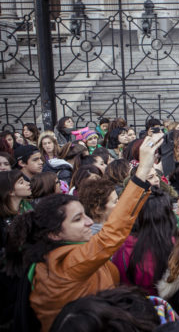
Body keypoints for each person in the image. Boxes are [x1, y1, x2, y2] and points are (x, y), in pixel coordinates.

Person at [3, 133, 163, 332]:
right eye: (78, 219)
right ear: (54, 234)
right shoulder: (63, 264)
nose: (88, 222)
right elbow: (111, 234)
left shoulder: (67, 251)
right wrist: (142, 172)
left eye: (84, 215)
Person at [112, 189, 176, 295]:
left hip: (133, 305)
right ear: (169, 216)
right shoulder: (178, 246)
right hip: (167, 306)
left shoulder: (124, 249)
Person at [0, 170, 32, 246]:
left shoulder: (30, 207)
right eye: (21, 182)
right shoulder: (2, 220)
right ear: (10, 192)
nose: (28, 183)